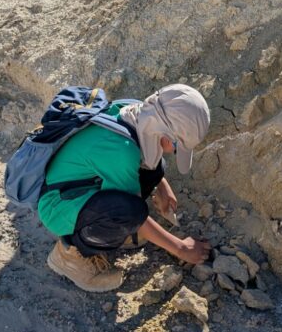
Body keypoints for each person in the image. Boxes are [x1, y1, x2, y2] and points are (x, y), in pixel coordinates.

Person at [40, 84, 212, 292]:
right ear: (164, 133)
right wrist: (181, 248)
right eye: (176, 147)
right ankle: (69, 255)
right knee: (130, 212)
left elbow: (146, 161)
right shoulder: (122, 152)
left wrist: (162, 187)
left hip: (79, 185)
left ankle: (113, 233)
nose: (173, 152)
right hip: (56, 205)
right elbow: (134, 213)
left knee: (157, 169)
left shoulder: (138, 112)